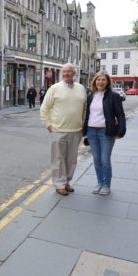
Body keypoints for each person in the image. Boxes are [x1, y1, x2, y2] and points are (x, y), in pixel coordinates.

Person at [40, 64, 87, 195]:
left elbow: (84, 109)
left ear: (74, 73)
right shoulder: (54, 88)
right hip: (58, 130)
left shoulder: (81, 88)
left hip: (76, 130)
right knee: (58, 159)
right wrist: (49, 125)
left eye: (69, 71)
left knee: (71, 160)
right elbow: (44, 108)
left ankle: (66, 182)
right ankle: (59, 184)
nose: (66, 74)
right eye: (64, 71)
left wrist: (83, 125)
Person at [82, 71, 126, 195]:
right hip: (91, 132)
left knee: (105, 159)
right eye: (98, 80)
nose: (100, 82)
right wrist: (84, 130)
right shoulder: (91, 96)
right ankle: (100, 183)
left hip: (105, 132)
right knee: (96, 160)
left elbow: (120, 115)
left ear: (107, 82)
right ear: (95, 81)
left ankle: (107, 185)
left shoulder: (114, 96)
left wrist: (121, 131)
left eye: (103, 80)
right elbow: (87, 115)